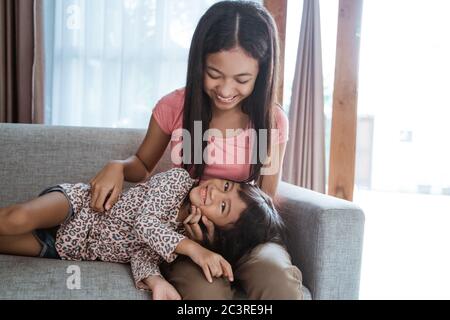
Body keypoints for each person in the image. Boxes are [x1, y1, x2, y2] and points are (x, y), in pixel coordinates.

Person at [89, 1, 303, 299]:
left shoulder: (271, 121)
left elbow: (265, 196)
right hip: (184, 235)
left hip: (246, 237)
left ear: (262, 73)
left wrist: (233, 228)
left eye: (242, 80)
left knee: (277, 279)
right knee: (207, 293)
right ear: (199, 63)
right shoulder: (175, 107)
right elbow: (141, 164)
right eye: (214, 74)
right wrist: (118, 166)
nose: (226, 91)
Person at [0, 168, 286, 300]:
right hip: (80, 207)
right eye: (226, 186)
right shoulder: (177, 181)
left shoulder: (177, 237)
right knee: (16, 218)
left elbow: (141, 251)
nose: (214, 192)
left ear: (218, 231)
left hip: (69, 247)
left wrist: (156, 281)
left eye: (222, 207)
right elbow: (143, 224)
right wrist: (195, 249)